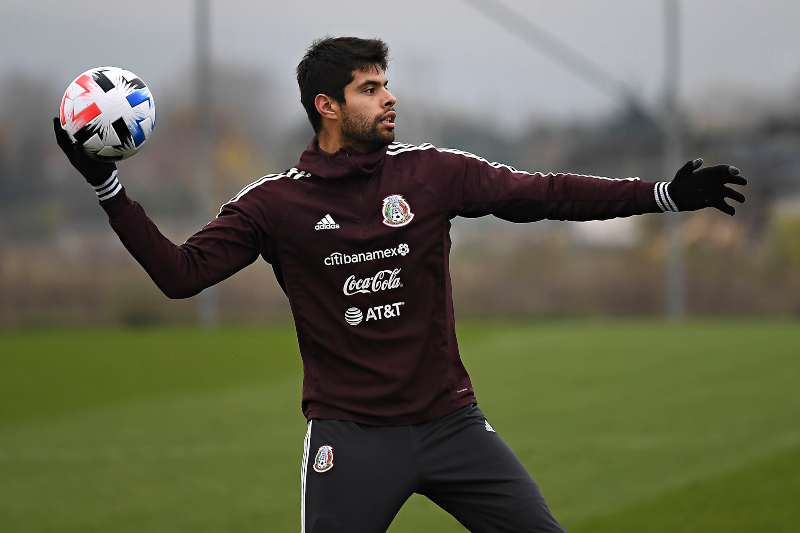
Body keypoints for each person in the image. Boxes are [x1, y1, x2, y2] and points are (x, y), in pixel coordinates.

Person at [54, 36, 746, 533]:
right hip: (351, 440)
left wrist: (662, 193)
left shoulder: (432, 172)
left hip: (453, 427)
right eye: (370, 87)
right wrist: (108, 187)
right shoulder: (274, 204)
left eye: (386, 83)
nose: (390, 98)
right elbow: (181, 275)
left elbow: (546, 193)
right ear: (327, 105)